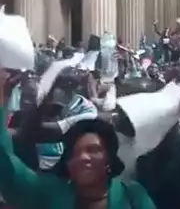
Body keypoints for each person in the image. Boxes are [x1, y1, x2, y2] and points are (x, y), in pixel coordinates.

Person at [0, 68, 156, 209]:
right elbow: (7, 168)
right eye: (75, 153)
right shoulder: (51, 194)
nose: (82, 157)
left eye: (93, 150)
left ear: (109, 159)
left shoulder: (132, 198)